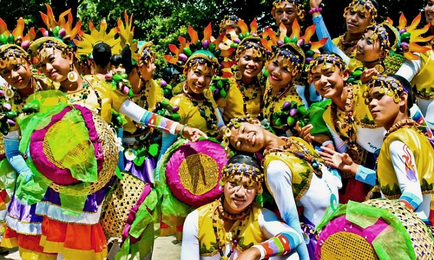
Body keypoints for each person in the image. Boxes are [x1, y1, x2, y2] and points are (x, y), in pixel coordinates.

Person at [321, 75, 434, 224]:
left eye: (379, 96)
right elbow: (388, 180)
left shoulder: (396, 142)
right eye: (369, 99)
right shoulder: (415, 136)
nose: (372, 104)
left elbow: (413, 195)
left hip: (405, 232)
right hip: (422, 226)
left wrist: (379, 219)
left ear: (401, 98)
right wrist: (352, 167)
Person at [224, 118, 342, 260]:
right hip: (319, 237)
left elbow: (324, 174)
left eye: (243, 130)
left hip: (339, 218)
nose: (246, 138)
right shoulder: (274, 168)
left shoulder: (293, 141)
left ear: (256, 122)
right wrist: (305, 258)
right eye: (240, 143)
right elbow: (291, 221)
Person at [181, 153, 302, 260]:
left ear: (258, 189)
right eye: (233, 183)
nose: (240, 192)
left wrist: (255, 251)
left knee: (291, 256)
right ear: (223, 182)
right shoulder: (196, 219)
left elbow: (293, 236)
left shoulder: (261, 216)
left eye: (248, 186)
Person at [306, 53, 384, 203]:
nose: (323, 81)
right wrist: (311, 142)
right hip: (375, 176)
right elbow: (344, 158)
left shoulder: (367, 93)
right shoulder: (328, 115)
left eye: (328, 73)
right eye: (316, 77)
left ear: (346, 74)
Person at [310, 0, 379, 71]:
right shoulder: (336, 41)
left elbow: (328, 45)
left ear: (370, 23)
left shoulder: (364, 50)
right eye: (352, 13)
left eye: (361, 16)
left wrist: (315, 10)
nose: (353, 19)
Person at [227, 18, 267, 119]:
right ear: (237, 57)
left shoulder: (264, 85)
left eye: (257, 60)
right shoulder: (226, 82)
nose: (251, 64)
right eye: (247, 58)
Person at [411, 0, 434, 130]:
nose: (431, 9)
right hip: (424, 132)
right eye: (430, 3)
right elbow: (398, 84)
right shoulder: (416, 48)